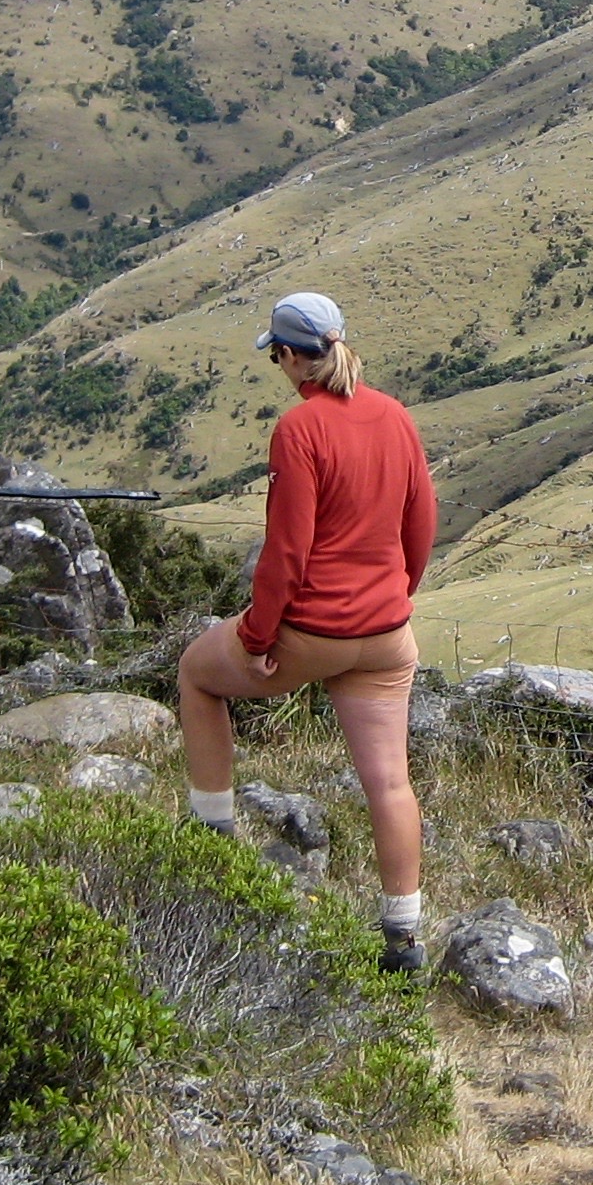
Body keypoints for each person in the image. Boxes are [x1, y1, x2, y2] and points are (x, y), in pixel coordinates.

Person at [178, 290, 439, 971]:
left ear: (292, 357)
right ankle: (405, 940)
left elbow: (286, 554)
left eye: (278, 357)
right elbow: (421, 528)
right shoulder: (396, 417)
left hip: (310, 629)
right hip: (386, 633)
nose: (279, 366)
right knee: (389, 783)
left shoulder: (300, 430)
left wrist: (261, 638)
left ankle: (209, 843)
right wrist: (392, 596)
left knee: (196, 675)